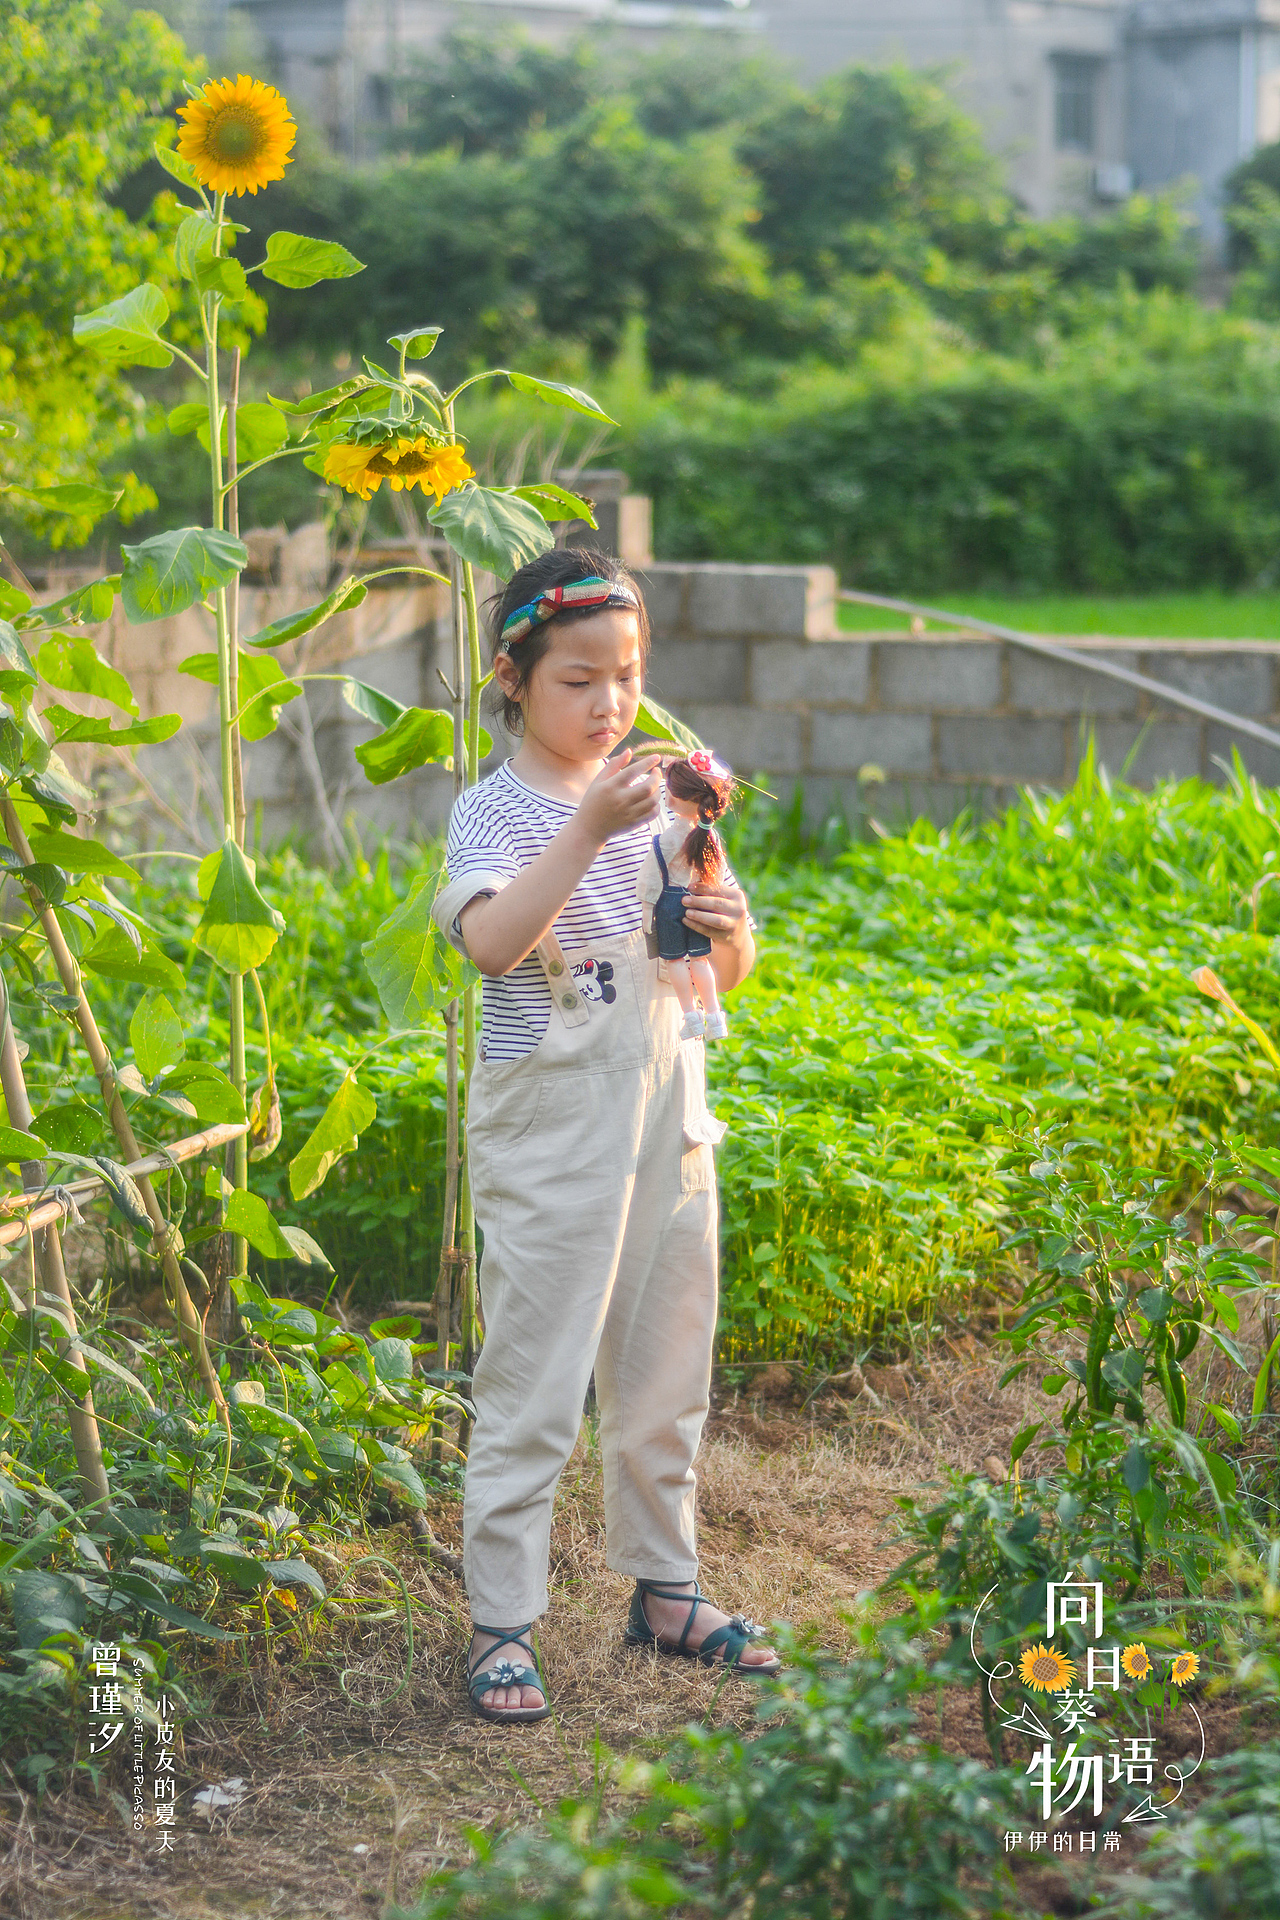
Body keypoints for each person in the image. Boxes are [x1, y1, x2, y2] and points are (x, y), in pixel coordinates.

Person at [431, 546, 780, 1723]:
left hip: (665, 1100)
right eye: (578, 679)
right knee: (532, 1369)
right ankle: (500, 1621)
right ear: (513, 678)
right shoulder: (499, 808)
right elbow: (490, 944)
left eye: (625, 676)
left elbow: (721, 962)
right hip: (553, 1111)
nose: (608, 704)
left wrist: (724, 920)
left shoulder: (664, 800)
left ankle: (665, 1587)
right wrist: (585, 831)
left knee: (665, 1350)